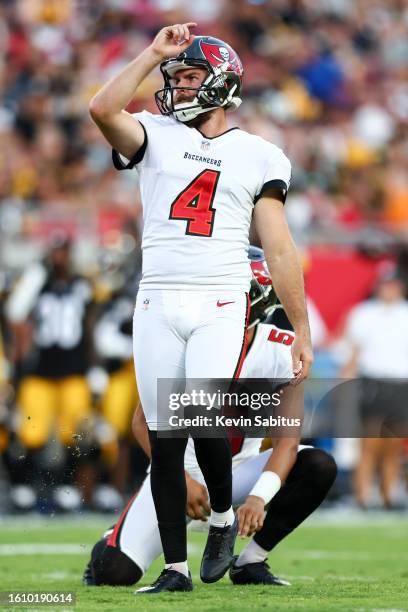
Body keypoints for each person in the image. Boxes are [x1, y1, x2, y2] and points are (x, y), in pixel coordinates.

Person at [89, 23, 313, 593]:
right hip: (157, 295)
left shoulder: (260, 154)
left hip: (221, 294)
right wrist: (151, 54)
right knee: (166, 436)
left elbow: (279, 247)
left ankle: (220, 522)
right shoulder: (155, 133)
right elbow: (102, 108)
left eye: (190, 76)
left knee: (203, 414)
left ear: (222, 82)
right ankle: (174, 569)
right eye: (178, 78)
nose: (180, 86)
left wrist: (303, 328)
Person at [83, 248, 335, 588]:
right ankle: (114, 539)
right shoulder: (187, 340)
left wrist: (259, 496)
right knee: (112, 572)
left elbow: (287, 443)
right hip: (182, 472)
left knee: (318, 465)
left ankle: (251, 560)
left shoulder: (280, 349)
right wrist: (182, 482)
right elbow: (143, 423)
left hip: (238, 472)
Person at [341, 269, 408, 508]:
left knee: (393, 445)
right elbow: (352, 351)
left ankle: (389, 496)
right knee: (369, 442)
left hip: (401, 384)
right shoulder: (363, 313)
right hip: (373, 383)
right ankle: (362, 496)